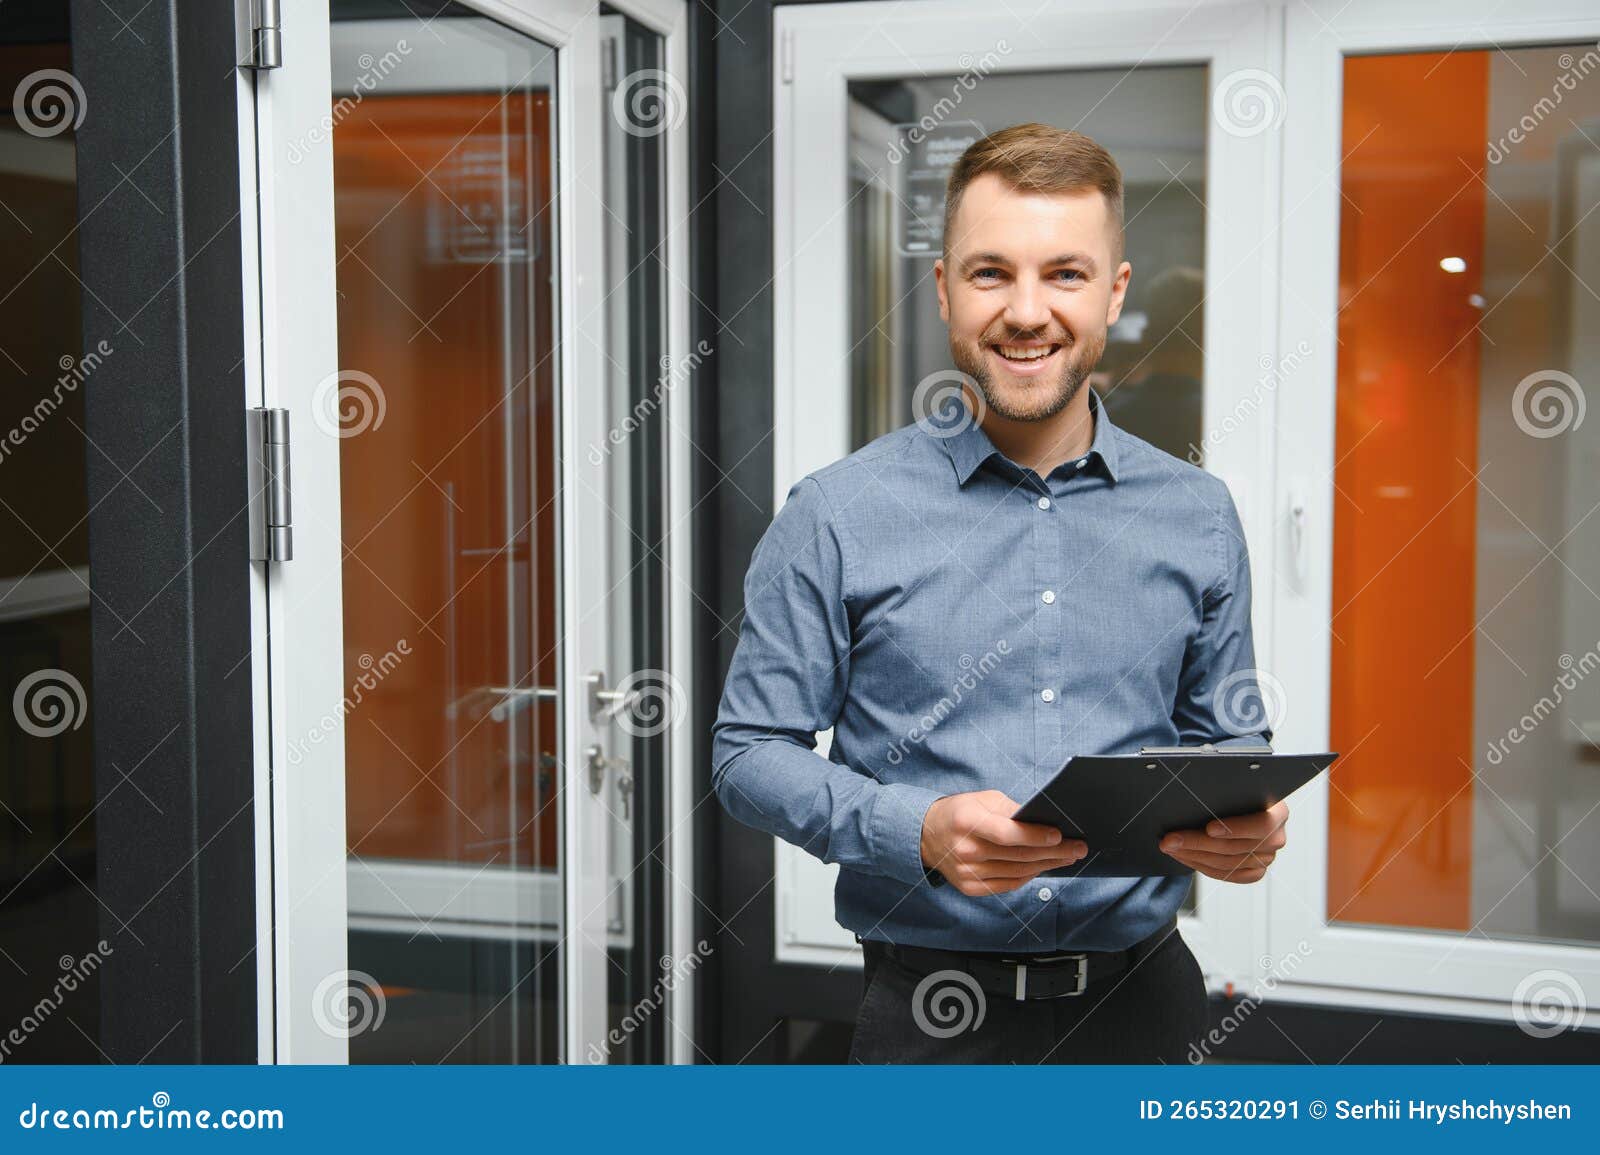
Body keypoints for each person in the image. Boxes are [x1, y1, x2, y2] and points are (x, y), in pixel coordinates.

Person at [711, 123, 1286, 1064]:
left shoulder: (1199, 513)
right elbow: (748, 754)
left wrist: (1246, 819)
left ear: (1114, 291)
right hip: (930, 1020)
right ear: (943, 289)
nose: (1028, 311)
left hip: (1150, 1011)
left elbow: (1229, 733)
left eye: (1065, 273)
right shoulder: (836, 512)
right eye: (990, 273)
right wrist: (916, 830)